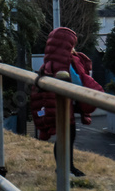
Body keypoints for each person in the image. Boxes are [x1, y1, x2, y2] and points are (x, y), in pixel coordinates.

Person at [30, 27, 102, 177]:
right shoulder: (67, 63)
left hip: (53, 105)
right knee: (68, 137)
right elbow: (77, 82)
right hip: (64, 106)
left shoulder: (48, 63)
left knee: (63, 137)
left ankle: (66, 167)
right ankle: (65, 168)